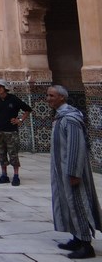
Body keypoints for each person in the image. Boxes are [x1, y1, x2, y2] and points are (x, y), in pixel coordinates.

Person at [48, 85, 102, 259]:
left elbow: (75, 148)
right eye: (48, 95)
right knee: (68, 202)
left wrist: (73, 172)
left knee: (79, 203)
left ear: (62, 98)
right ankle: (76, 237)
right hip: (62, 170)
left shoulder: (70, 119)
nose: (48, 99)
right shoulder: (61, 116)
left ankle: (86, 245)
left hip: (71, 171)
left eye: (52, 96)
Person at [0, 79, 32, 186]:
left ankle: (16, 176)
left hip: (11, 131)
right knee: (1, 153)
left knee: (13, 153)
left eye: (0, 86)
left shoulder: (13, 99)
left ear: (5, 88)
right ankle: (4, 175)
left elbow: (27, 109)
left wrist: (20, 120)